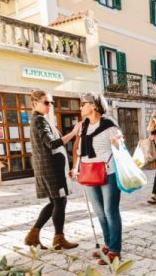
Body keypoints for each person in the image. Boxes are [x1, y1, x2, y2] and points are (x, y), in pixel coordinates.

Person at [70, 92, 124, 265]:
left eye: (83, 103)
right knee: (100, 212)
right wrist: (75, 166)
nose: (80, 107)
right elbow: (78, 148)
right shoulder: (83, 126)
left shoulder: (109, 125)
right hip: (88, 172)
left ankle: (115, 251)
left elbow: (119, 147)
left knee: (110, 211)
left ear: (93, 105)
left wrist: (118, 142)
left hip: (109, 173)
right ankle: (108, 244)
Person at [24, 90, 80, 250]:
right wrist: (73, 133)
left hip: (50, 169)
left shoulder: (40, 119)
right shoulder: (39, 120)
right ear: (34, 104)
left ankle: (33, 236)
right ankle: (58, 238)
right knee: (60, 201)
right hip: (50, 170)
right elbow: (52, 143)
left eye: (51, 102)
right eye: (46, 102)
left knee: (56, 202)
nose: (50, 105)